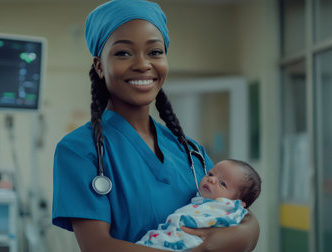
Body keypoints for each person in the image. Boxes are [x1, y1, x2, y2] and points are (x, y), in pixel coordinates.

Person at [52, 0, 260, 251]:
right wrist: (208, 248)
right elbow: (98, 246)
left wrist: (250, 231)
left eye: (154, 52)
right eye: (123, 53)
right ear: (99, 66)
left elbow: (237, 207)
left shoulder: (190, 152)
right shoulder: (79, 150)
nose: (142, 64)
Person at [136, 159, 262, 251]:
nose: (211, 179)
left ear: (239, 203)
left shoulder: (228, 209)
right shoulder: (201, 199)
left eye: (222, 184)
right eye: (211, 174)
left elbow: (245, 221)